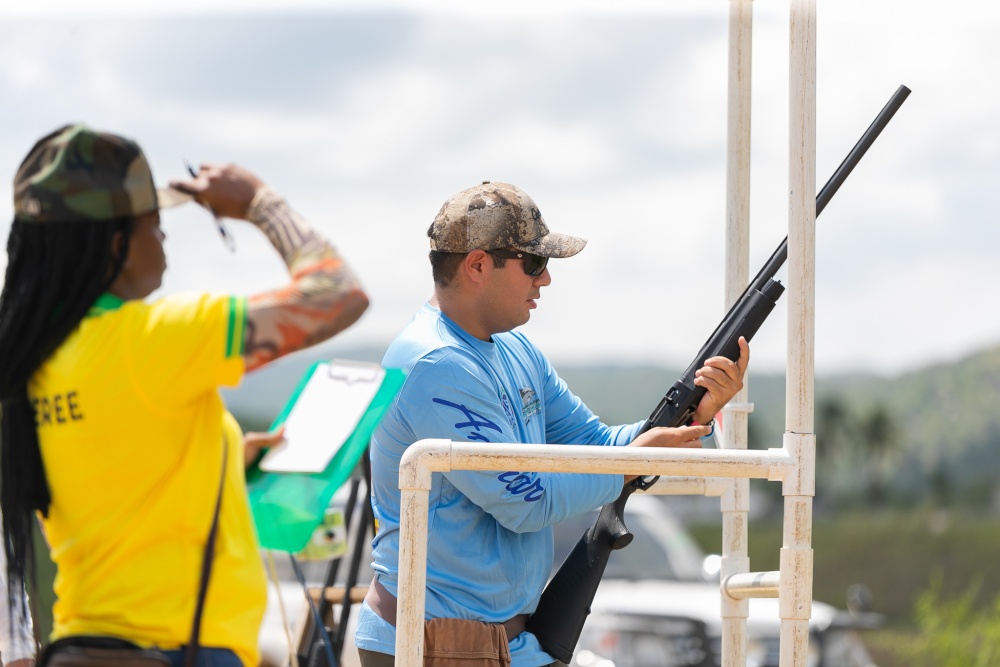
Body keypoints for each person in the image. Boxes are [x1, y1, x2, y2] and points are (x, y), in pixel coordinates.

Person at [0, 124, 369, 667]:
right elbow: (339, 295)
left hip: (81, 649)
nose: (165, 238)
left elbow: (114, 473)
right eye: (155, 224)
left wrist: (222, 461)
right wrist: (261, 204)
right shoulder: (154, 338)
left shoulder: (30, 357)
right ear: (118, 245)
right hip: (182, 651)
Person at [354, 181, 749, 666]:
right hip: (432, 644)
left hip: (500, 642)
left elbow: (597, 444)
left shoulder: (515, 350)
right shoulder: (437, 363)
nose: (544, 281)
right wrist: (636, 461)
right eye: (534, 264)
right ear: (478, 265)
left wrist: (693, 418)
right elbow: (525, 501)